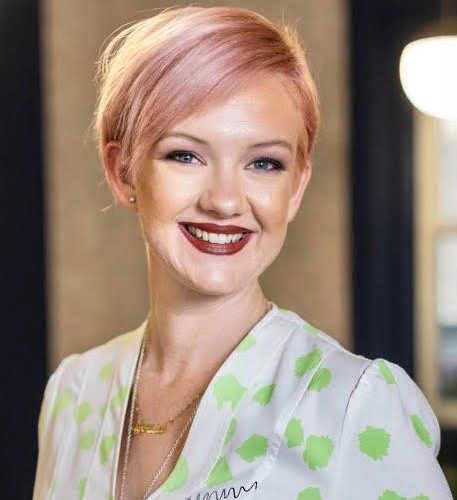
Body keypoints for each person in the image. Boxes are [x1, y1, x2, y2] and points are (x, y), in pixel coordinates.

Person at [33, 5, 452, 500]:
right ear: (123, 171)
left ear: (296, 187)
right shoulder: (73, 393)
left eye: (264, 163)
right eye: (186, 155)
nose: (226, 201)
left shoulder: (355, 406)